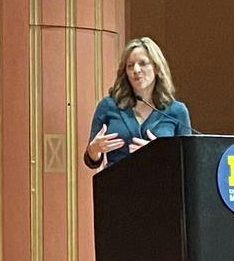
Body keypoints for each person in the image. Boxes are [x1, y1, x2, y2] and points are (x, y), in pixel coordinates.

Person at [83, 36, 195, 170]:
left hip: (162, 186)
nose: (136, 70)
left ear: (157, 67)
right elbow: (91, 160)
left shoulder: (177, 111)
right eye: (130, 66)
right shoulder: (108, 106)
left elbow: (189, 162)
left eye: (143, 63)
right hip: (117, 185)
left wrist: (161, 154)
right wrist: (93, 150)